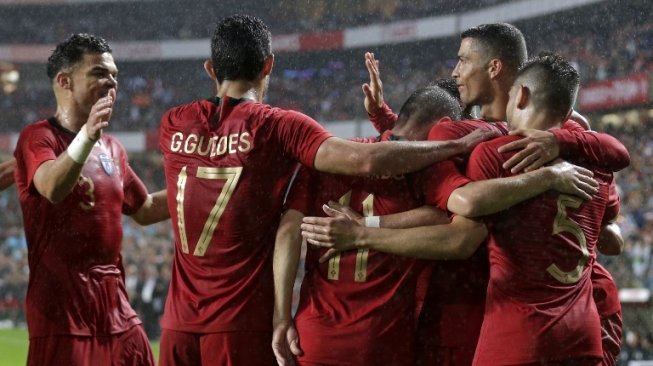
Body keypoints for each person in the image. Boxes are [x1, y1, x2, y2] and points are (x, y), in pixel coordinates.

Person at [157, 14, 494, 366]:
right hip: (245, 320)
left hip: (183, 323)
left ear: (210, 69)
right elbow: (369, 162)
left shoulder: (172, 123)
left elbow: (285, 221)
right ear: (268, 65)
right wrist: (456, 146)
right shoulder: (279, 128)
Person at [301, 52, 623, 366]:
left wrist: (364, 231)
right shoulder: (592, 157)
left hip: (502, 332)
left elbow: (461, 219)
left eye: (463, 59)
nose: (456, 71)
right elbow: (612, 234)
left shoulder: (483, 148)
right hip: (582, 330)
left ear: (501, 74)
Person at [13, 33, 169, 366]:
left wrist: (203, 187)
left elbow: (145, 209)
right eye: (99, 72)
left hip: (119, 313)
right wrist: (86, 137)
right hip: (63, 316)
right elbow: (52, 187)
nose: (111, 81)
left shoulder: (113, 148)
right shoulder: (37, 137)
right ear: (64, 81)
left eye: (114, 74)